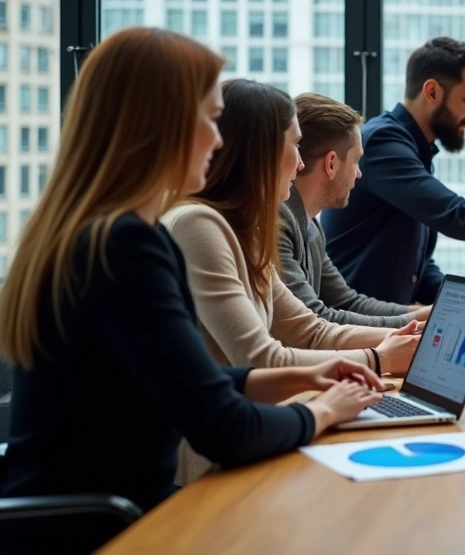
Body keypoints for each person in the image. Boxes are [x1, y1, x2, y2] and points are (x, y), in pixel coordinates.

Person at [0, 28, 383, 553]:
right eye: (208, 118)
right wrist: (325, 409)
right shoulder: (127, 245)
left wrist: (305, 374)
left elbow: (189, 381)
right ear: (161, 126)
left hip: (95, 516)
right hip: (107, 529)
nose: (219, 138)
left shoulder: (94, 230)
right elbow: (221, 428)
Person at [163, 80, 419, 375]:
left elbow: (312, 331)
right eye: (295, 145)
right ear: (261, 151)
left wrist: (414, 337)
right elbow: (260, 358)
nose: (300, 164)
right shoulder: (197, 224)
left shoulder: (246, 231)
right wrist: (377, 359)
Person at [323, 37, 465, 305]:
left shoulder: (413, 150)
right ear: (431, 92)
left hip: (381, 325)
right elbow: (455, 215)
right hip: (351, 329)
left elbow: (417, 273)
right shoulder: (382, 143)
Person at [281, 92, 432, 326]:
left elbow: (347, 302)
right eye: (355, 161)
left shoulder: (311, 226)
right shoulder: (279, 223)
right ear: (331, 164)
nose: (359, 174)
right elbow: (316, 319)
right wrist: (414, 325)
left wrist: (423, 314)